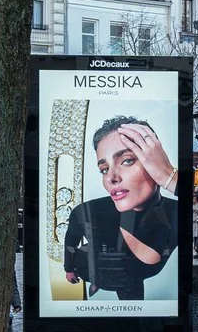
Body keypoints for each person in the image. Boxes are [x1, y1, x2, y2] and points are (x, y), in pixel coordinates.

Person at [60, 115, 181, 301]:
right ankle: (97, 281)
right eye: (104, 169)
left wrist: (168, 176)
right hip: (97, 270)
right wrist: (69, 269)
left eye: (127, 161)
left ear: (155, 160)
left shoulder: (176, 211)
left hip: (126, 277)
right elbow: (71, 239)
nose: (111, 178)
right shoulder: (88, 211)